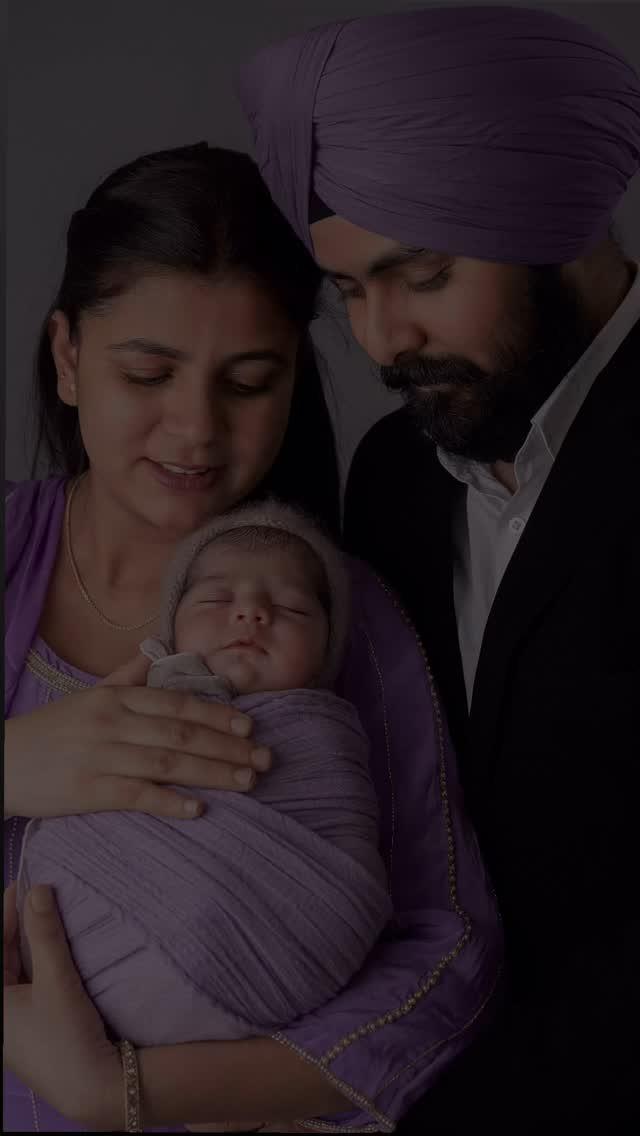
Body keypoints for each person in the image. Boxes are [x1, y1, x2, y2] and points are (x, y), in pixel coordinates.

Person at [3, 142, 501, 1133]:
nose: (195, 428)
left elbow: (447, 956)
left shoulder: (339, 619)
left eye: (248, 382)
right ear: (68, 358)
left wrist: (124, 1093)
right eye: (148, 373)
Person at [237, 4, 640, 1131]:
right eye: (349, 292)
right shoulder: (394, 473)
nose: (382, 340)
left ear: (557, 223)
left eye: (419, 274)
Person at [17, 499, 392, 1057]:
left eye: (292, 608)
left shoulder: (329, 732)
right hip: (81, 956)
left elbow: (349, 829)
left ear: (327, 651)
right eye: (217, 599)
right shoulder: (131, 703)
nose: (252, 613)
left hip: (288, 951)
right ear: (171, 627)